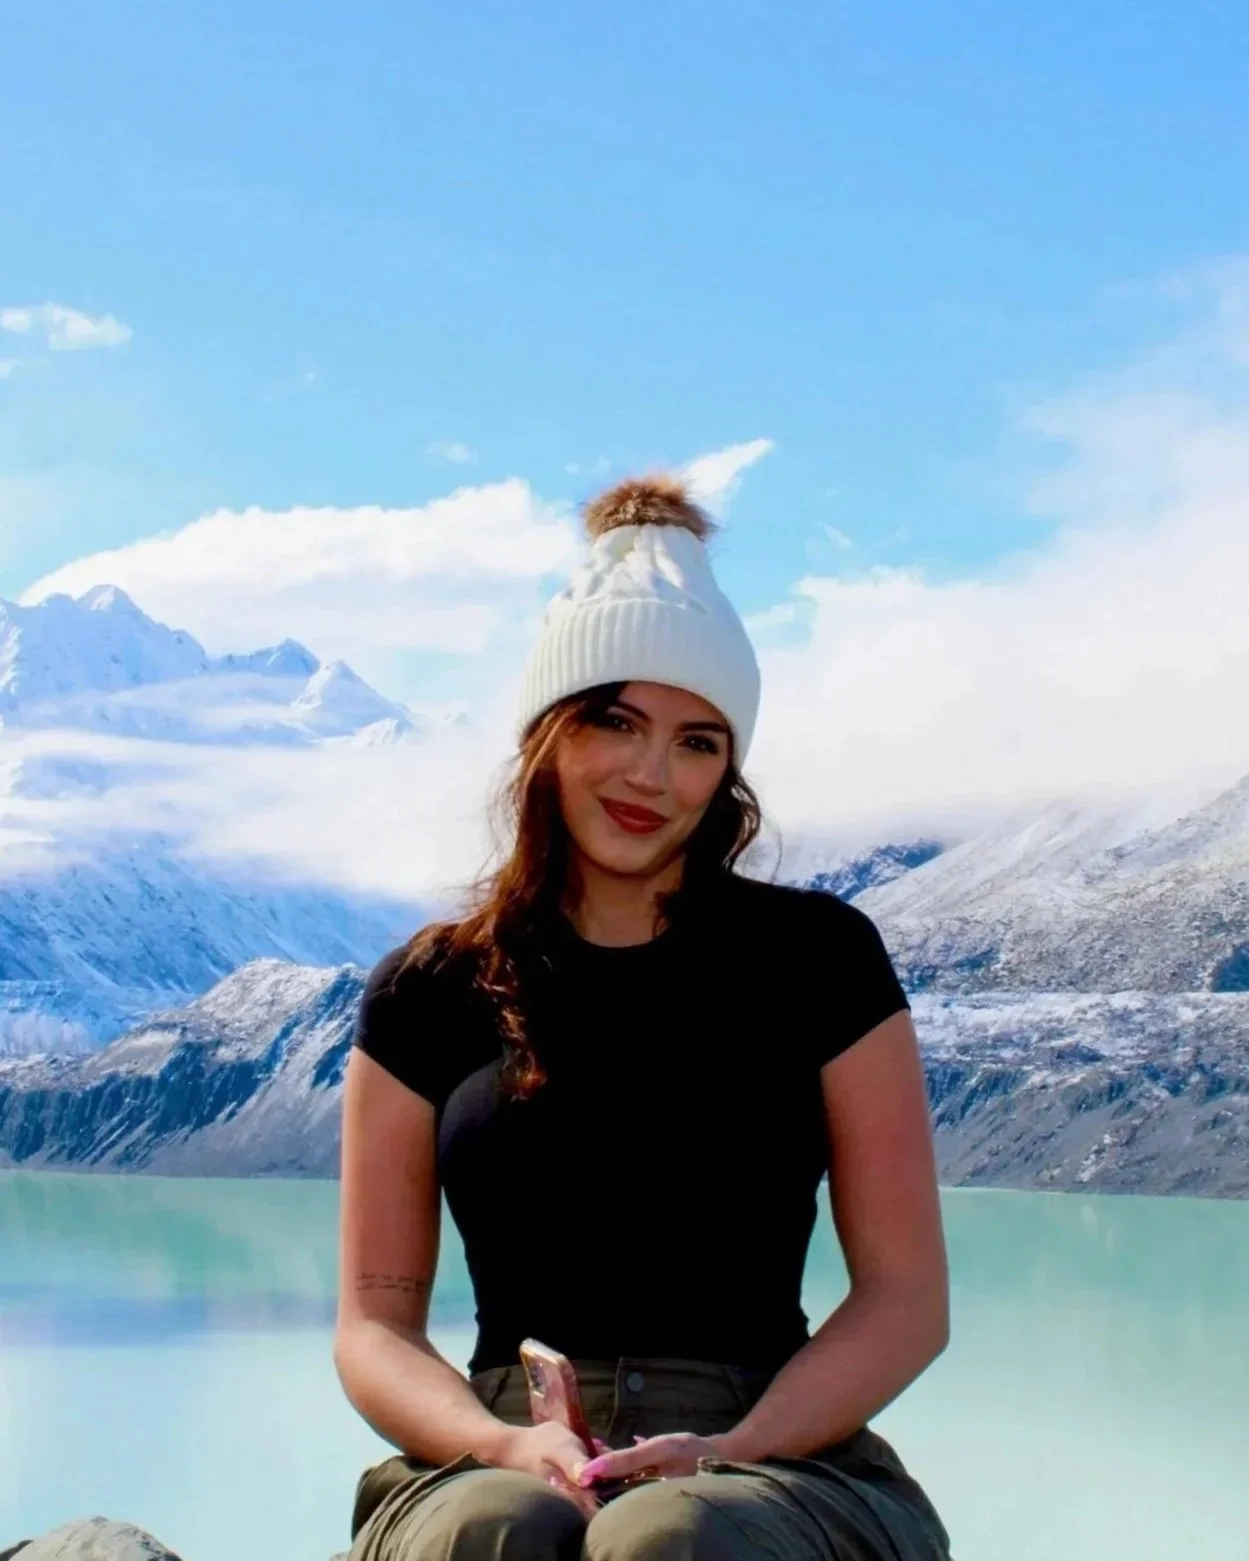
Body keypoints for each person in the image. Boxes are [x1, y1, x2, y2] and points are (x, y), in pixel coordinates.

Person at [335, 476, 953, 1561]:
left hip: (780, 1454)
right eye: (614, 721)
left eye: (698, 741)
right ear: (548, 735)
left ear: (729, 773)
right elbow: (375, 1325)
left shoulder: (820, 960)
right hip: (490, 1447)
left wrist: (735, 1443)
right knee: (497, 1530)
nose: (650, 774)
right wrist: (497, 1443)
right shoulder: (426, 989)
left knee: (668, 1539)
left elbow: (904, 1299)